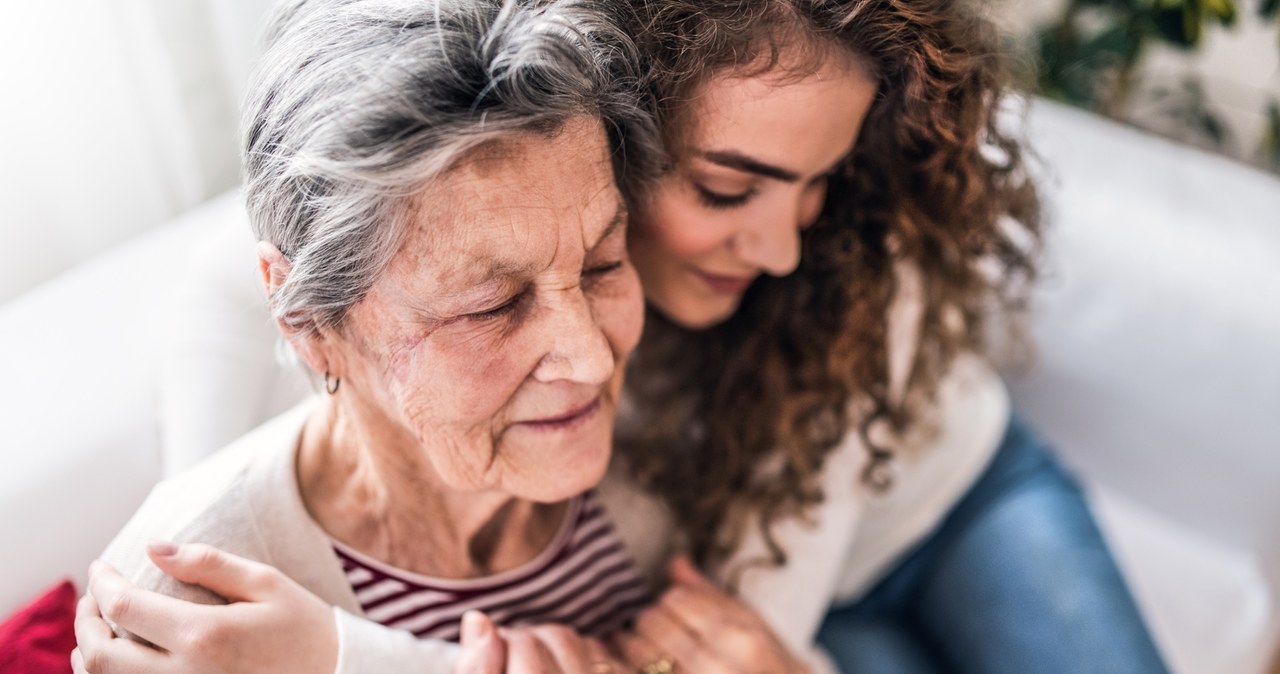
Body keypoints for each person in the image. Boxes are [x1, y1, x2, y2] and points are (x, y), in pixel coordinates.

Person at [74, 0, 1173, 672]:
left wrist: (336, 655)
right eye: (725, 182)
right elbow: (238, 288)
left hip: (942, 498)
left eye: (817, 186)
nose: (784, 246)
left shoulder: (839, 298)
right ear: (626, 128)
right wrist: (210, 565)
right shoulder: (483, 161)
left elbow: (729, 641)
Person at [71, 0, 674, 672]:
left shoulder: (667, 462)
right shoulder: (189, 609)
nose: (592, 358)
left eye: (603, 263)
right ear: (309, 321)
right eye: (492, 306)